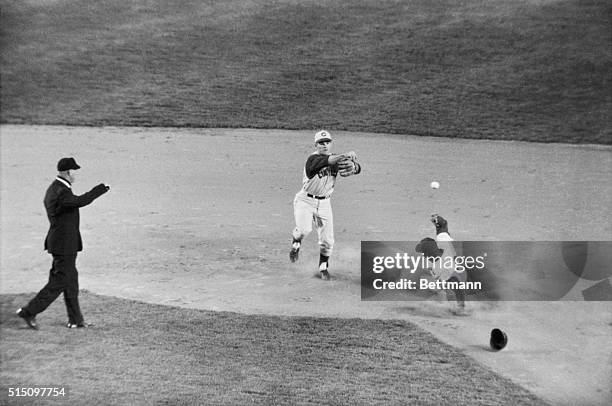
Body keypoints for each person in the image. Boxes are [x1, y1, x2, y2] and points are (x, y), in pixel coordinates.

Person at [16, 157, 110, 329]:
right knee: (59, 282)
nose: (76, 175)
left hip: (62, 243)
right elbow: (80, 201)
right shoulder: (62, 192)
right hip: (64, 245)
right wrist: (100, 189)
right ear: (68, 172)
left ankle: (76, 320)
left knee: (71, 281)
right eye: (75, 171)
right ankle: (29, 311)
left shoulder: (55, 188)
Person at [289, 130, 362, 280]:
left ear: (331, 143)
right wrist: (345, 155)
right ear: (316, 145)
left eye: (327, 142)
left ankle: (323, 267)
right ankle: (296, 241)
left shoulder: (335, 159)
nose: (325, 145)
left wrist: (355, 167)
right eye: (321, 143)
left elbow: (354, 168)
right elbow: (328, 161)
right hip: (305, 201)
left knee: (328, 240)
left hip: (324, 204)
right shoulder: (312, 160)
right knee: (304, 230)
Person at [415, 214, 467, 314]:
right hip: (444, 265)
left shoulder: (439, 246)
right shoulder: (442, 242)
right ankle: (459, 306)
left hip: (442, 266)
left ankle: (458, 306)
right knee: (453, 283)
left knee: (450, 283)